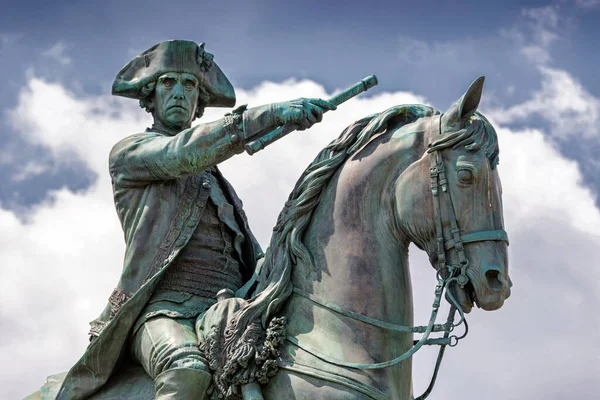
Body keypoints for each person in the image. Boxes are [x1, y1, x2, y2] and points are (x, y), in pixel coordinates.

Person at [54, 39, 335, 400]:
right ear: (149, 96)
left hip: (230, 308)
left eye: (189, 86)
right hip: (164, 311)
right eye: (168, 83)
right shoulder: (131, 154)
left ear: (198, 101)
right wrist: (272, 114)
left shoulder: (216, 180)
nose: (179, 93)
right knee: (185, 369)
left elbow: (246, 250)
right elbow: (183, 153)